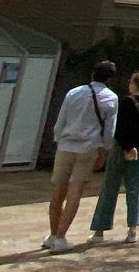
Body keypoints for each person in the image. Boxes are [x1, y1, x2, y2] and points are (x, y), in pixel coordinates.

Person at [45, 60, 118, 252]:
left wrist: (59, 139)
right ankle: (61, 236)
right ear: (110, 79)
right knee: (75, 192)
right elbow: (109, 130)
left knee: (58, 191)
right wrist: (105, 149)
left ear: (92, 74)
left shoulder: (74, 92)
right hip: (89, 147)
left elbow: (61, 120)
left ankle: (53, 234)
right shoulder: (111, 98)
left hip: (66, 145)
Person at [89, 71, 139, 245]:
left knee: (110, 187)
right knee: (134, 189)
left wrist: (127, 147)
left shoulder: (125, 102)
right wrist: (135, 145)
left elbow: (118, 128)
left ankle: (100, 229)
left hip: (121, 147)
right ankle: (133, 229)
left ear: (134, 84)